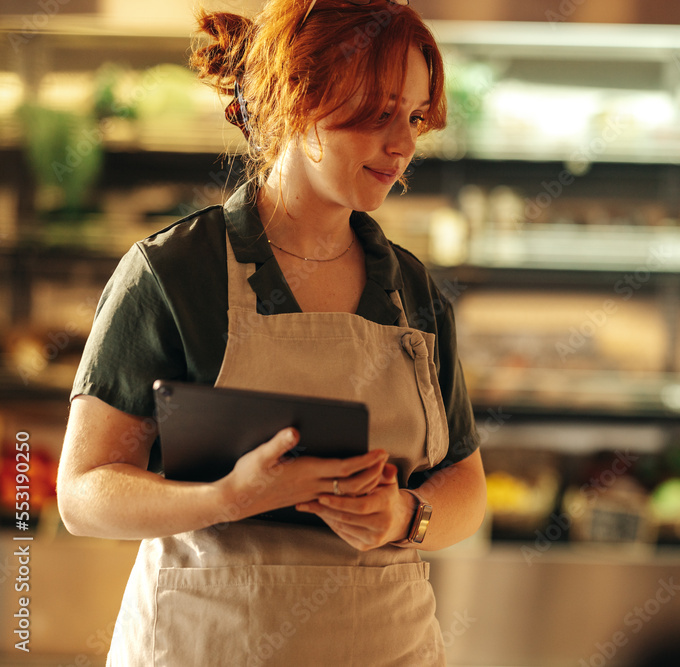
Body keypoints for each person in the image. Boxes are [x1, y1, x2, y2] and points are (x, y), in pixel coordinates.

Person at [55, 0, 486, 664]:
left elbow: (465, 484)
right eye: (379, 112)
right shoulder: (173, 274)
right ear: (300, 96)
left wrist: (402, 516)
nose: (402, 145)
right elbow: (84, 494)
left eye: (415, 117)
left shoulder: (413, 291)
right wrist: (225, 497)